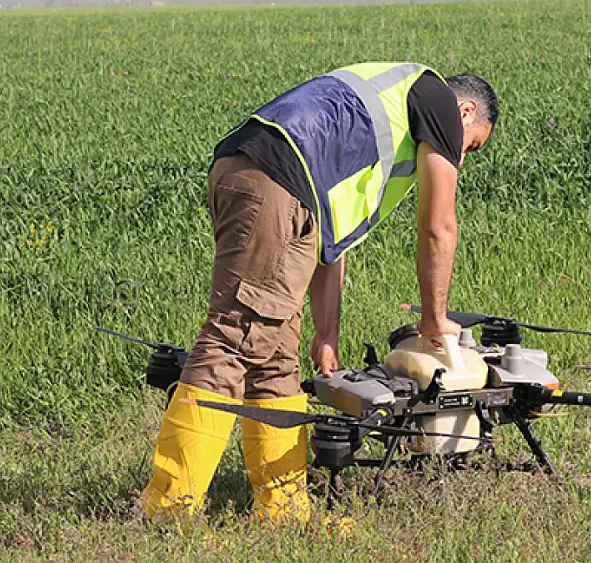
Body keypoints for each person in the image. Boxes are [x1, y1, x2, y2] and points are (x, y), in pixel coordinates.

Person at [138, 62, 498, 524]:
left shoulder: (385, 114)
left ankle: (284, 510)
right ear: (466, 111)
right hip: (275, 181)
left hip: (271, 180)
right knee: (234, 340)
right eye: (472, 145)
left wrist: (326, 332)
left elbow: (333, 240)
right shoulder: (435, 101)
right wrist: (434, 318)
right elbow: (438, 226)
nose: (462, 157)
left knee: (273, 359)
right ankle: (167, 509)